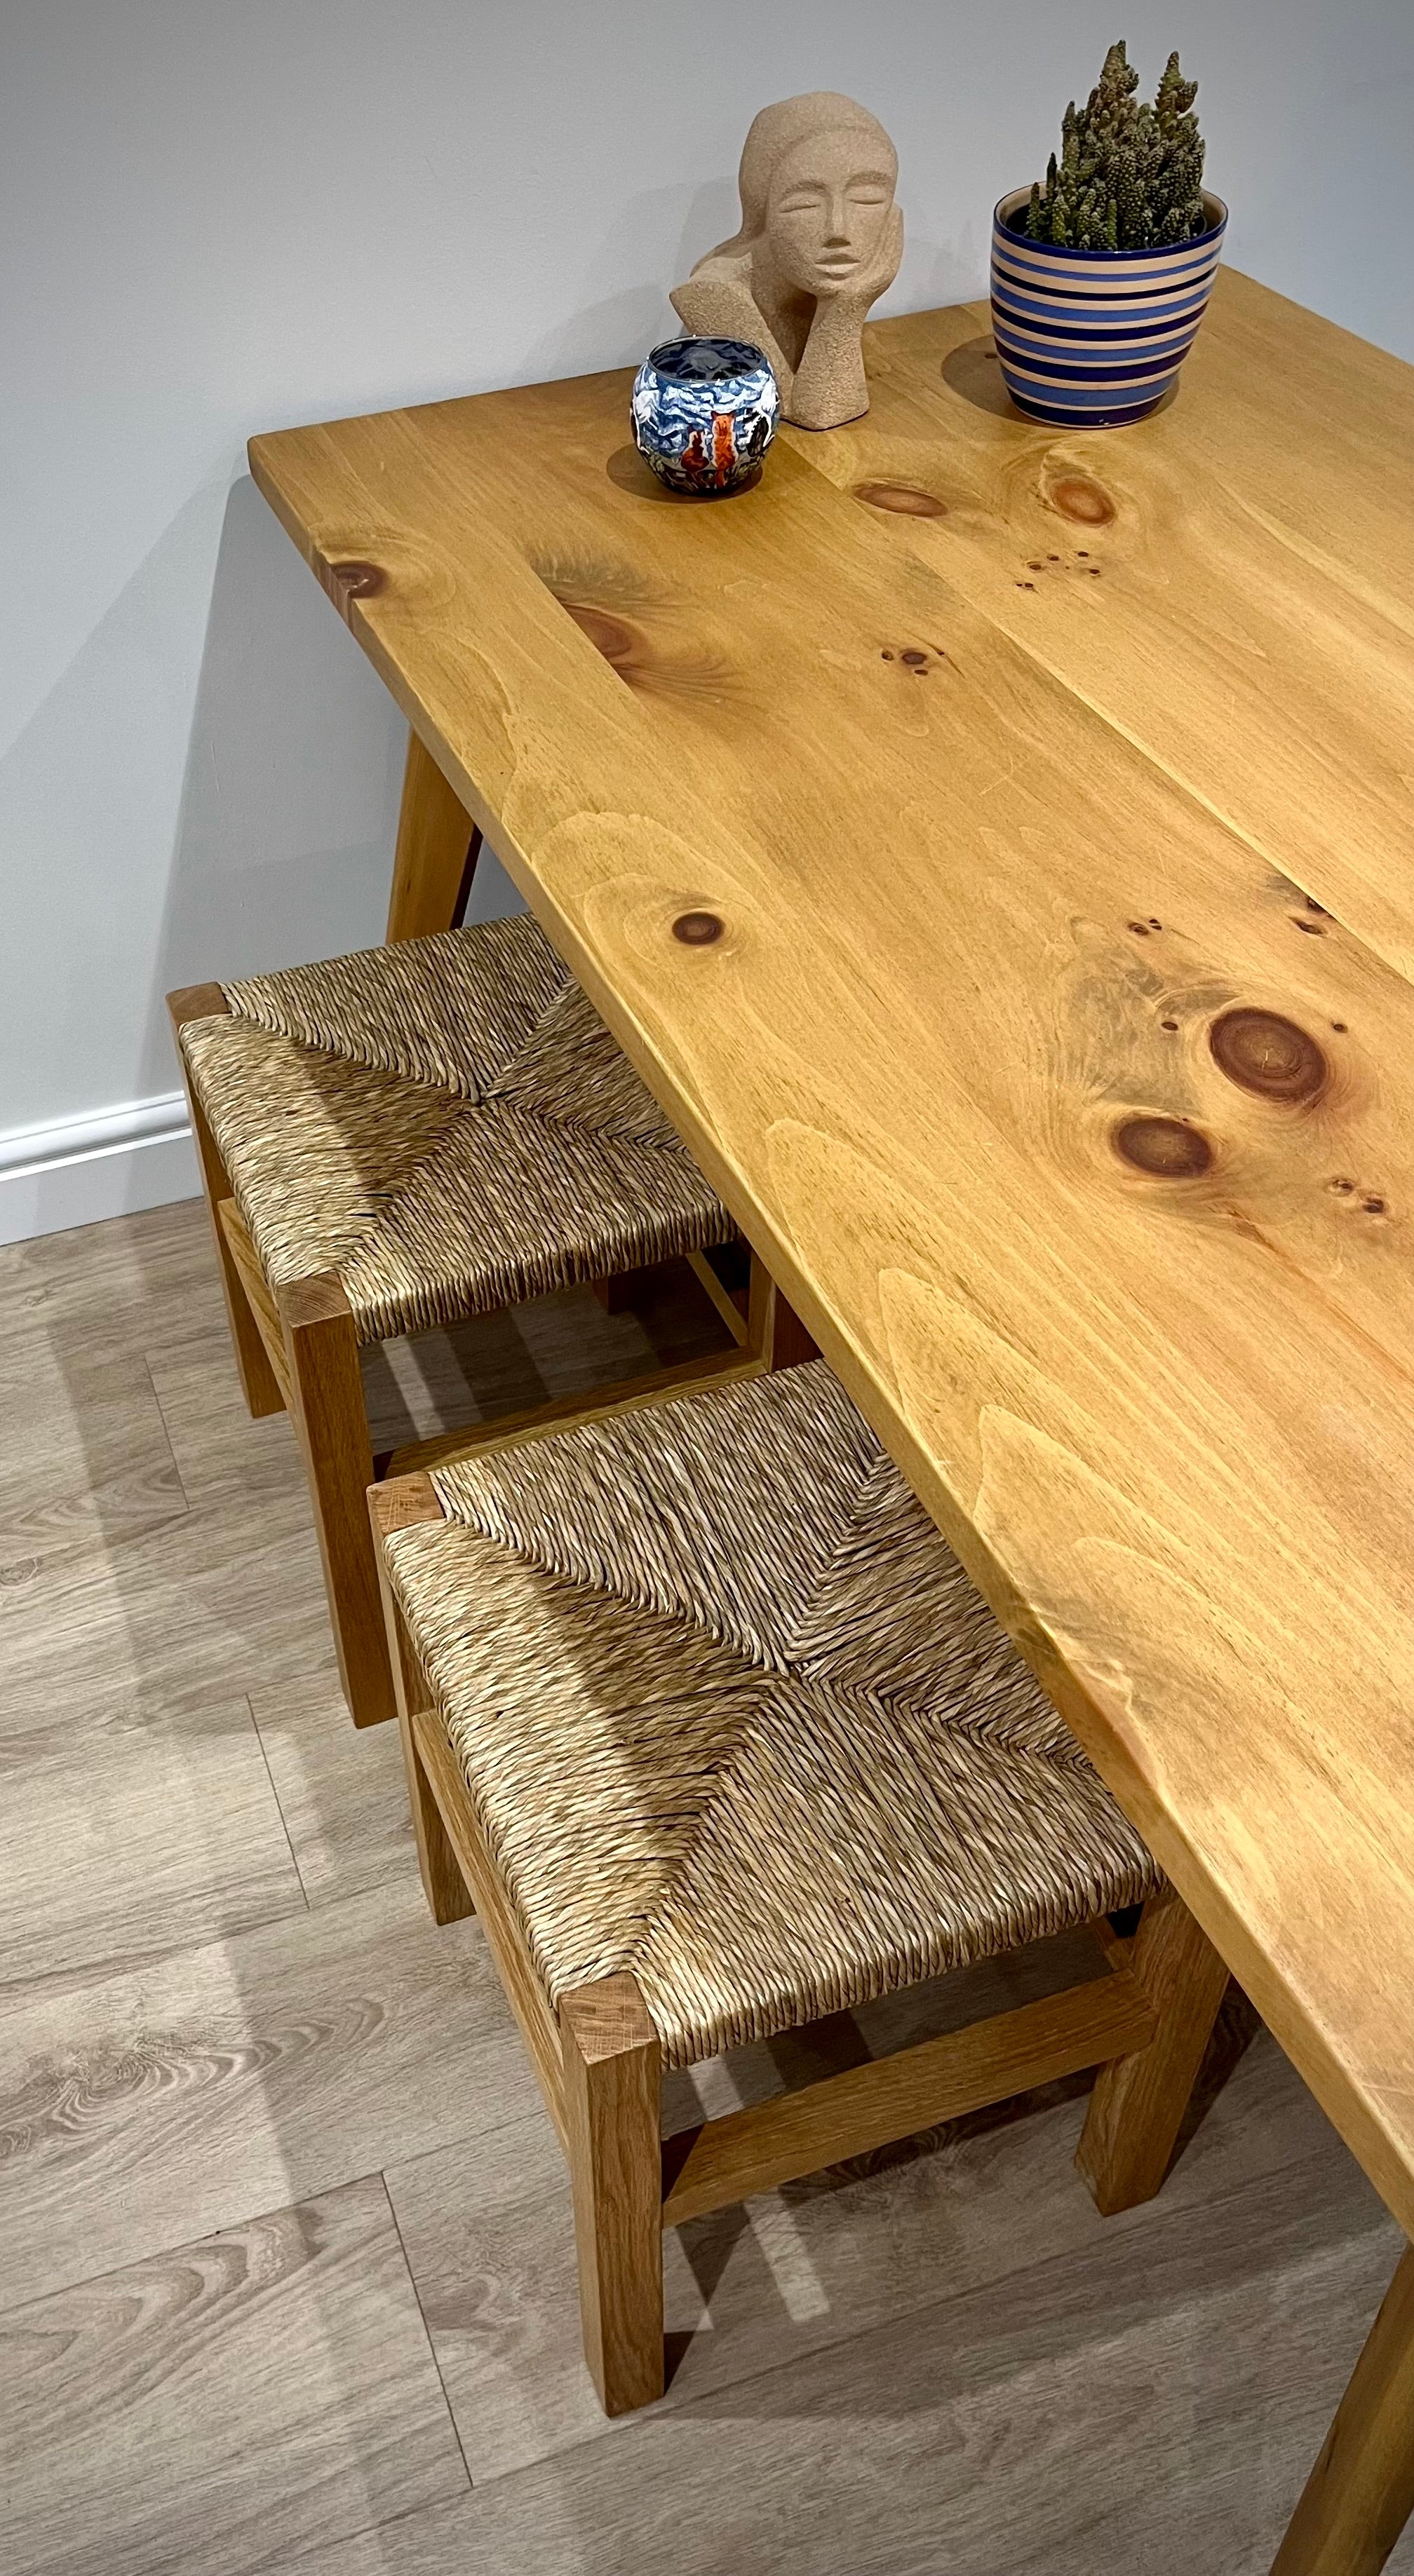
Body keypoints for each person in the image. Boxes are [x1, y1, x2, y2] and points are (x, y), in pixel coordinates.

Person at [671, 92, 903, 430]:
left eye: (867, 200)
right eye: (805, 204)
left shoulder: (815, 285)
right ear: (763, 211)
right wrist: (848, 304)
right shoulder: (716, 294)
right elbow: (815, 411)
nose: (838, 229)